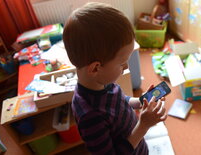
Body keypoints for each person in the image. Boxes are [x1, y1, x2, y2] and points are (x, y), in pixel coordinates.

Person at [63, 2, 167, 155]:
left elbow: (119, 100)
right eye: (122, 63)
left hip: (138, 146)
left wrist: (139, 102)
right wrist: (143, 126)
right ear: (95, 68)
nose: (126, 67)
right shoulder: (89, 116)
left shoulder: (102, 82)